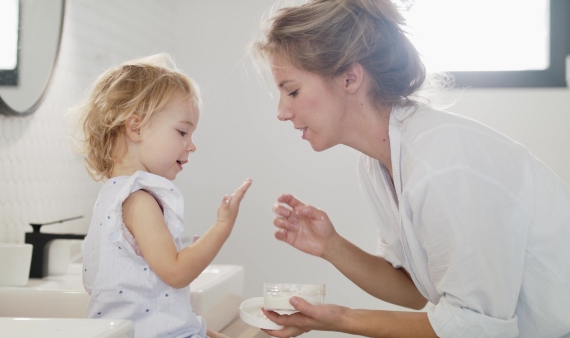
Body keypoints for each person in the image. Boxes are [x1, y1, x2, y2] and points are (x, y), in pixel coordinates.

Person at [251, 0, 570, 337]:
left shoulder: (441, 163)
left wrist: (339, 319)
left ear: (349, 77)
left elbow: (476, 329)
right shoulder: (378, 162)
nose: (282, 111)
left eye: (293, 91)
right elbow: (415, 291)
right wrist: (332, 246)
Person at [74, 53, 252, 338]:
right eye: (182, 132)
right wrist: (221, 228)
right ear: (136, 128)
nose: (191, 146)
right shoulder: (139, 201)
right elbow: (176, 273)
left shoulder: (112, 197)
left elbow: (153, 300)